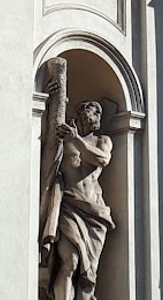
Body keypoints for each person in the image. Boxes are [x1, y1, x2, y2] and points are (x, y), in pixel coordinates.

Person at [40, 100, 116, 300]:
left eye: (99, 114)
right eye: (93, 112)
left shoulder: (102, 140)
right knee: (70, 261)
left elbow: (102, 159)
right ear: (81, 115)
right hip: (69, 206)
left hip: (94, 213)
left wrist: (76, 140)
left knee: (88, 273)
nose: (97, 117)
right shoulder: (64, 140)